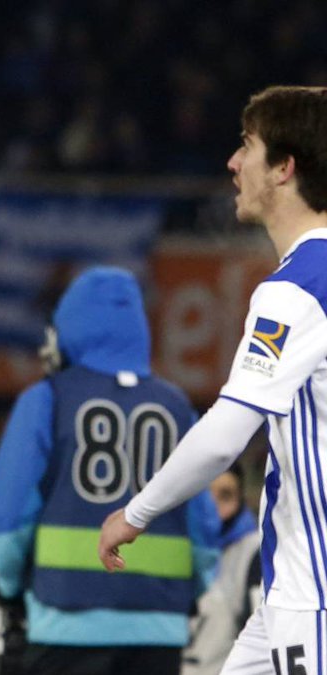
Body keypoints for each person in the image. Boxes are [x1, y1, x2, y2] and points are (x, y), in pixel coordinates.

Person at [98, 86, 327, 673]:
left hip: (315, 592)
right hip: (286, 588)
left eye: (247, 146)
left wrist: (136, 513)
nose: (233, 162)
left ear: (283, 168)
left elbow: (226, 434)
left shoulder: (299, 289)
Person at [0, 266, 219, 675]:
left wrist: (9, 587)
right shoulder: (178, 408)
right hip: (159, 630)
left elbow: (9, 520)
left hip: (63, 621)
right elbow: (203, 530)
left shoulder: (47, 399)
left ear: (68, 329)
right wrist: (187, 592)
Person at [183, 463, 262, 675]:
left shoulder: (254, 553)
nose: (212, 507)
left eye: (225, 496)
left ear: (241, 501)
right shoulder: (171, 543)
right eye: (204, 496)